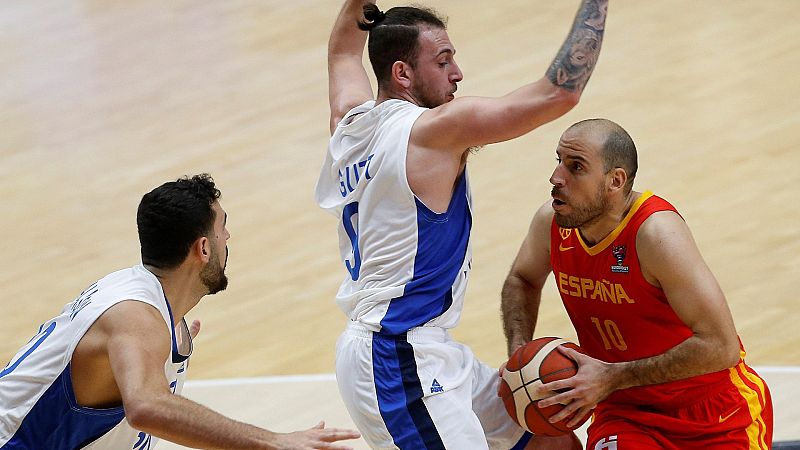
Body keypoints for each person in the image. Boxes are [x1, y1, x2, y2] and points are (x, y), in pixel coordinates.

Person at [315, 0, 607, 448]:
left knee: (552, 442)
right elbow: (558, 93)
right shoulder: (432, 131)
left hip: (425, 348)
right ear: (402, 74)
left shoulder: (350, 124)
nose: (458, 73)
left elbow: (341, 53)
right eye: (443, 60)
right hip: (396, 356)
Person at [0, 174, 360, 450]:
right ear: (203, 248)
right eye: (222, 229)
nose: (228, 238)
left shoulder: (152, 311)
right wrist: (272, 441)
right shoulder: (135, 315)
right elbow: (146, 407)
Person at [501, 119, 773, 450]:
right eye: (558, 161)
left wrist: (612, 376)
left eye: (575, 167)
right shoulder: (552, 224)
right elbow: (522, 278)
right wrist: (519, 354)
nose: (556, 178)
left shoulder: (657, 235)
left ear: (615, 181)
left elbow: (721, 347)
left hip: (713, 415)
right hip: (624, 413)